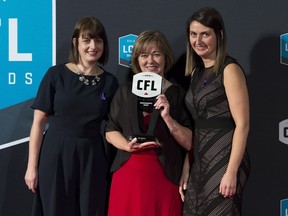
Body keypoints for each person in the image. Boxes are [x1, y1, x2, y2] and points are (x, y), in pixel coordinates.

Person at [24, 16, 118, 216]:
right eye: (87, 40)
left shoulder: (110, 82)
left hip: (92, 157)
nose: (93, 46)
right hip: (56, 153)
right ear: (76, 42)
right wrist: (32, 167)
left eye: (98, 40)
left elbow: (115, 125)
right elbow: (38, 124)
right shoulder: (56, 75)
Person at [105, 30, 192, 216]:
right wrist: (127, 147)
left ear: (165, 58)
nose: (150, 60)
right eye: (144, 55)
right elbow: (110, 130)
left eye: (156, 54)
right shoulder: (124, 92)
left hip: (165, 177)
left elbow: (190, 142)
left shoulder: (178, 95)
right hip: (127, 177)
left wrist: (168, 118)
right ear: (137, 60)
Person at [179, 7, 251, 215]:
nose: (198, 40)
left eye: (205, 34)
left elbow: (242, 124)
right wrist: (187, 166)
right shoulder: (196, 72)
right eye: (193, 34)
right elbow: (197, 126)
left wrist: (232, 171)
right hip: (200, 158)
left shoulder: (229, 70)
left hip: (225, 157)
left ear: (218, 35)